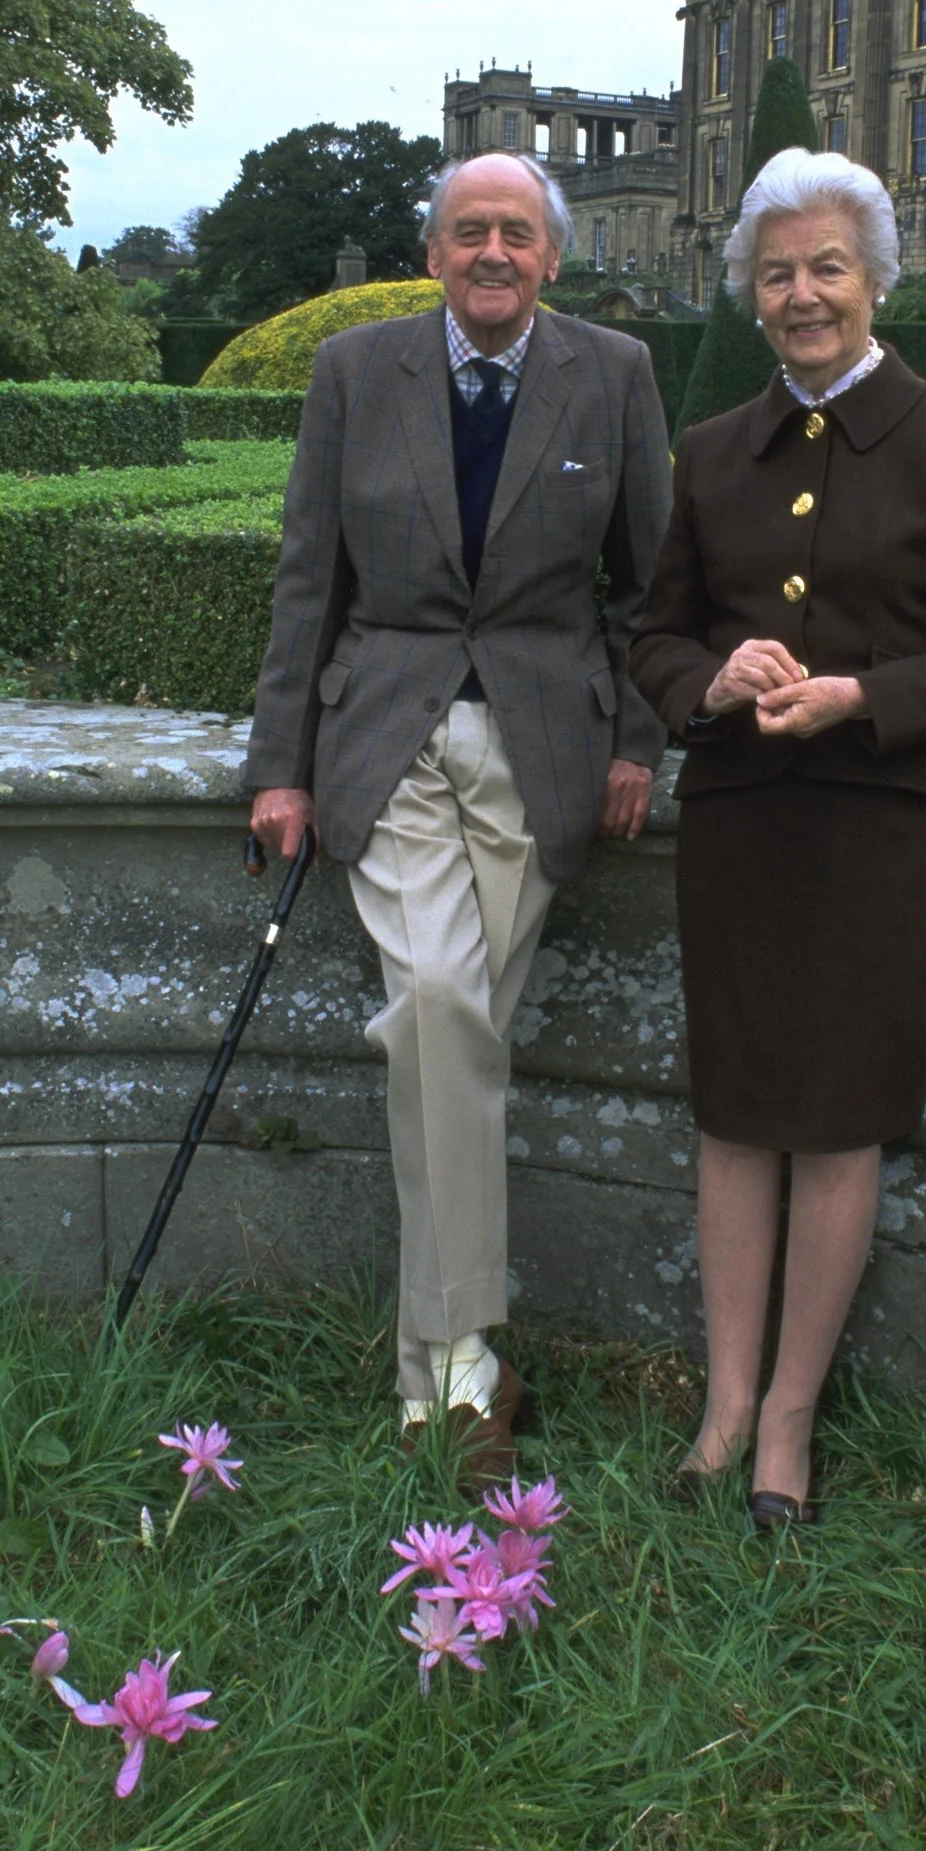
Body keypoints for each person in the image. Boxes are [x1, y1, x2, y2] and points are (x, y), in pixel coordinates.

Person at [628, 147, 926, 1529]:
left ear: (876, 278)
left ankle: (792, 1420)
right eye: (777, 273)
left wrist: (866, 695)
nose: (803, 296)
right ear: (747, 293)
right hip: (745, 822)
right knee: (737, 1117)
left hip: (888, 830)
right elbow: (655, 640)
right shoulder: (710, 453)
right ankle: (726, 1401)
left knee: (843, 1123)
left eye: (827, 269)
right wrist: (711, 682)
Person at [246, 151, 672, 1482]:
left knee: (460, 1043)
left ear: (553, 256)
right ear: (432, 251)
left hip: (546, 748)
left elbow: (652, 584)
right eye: (469, 230)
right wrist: (280, 766)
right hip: (391, 735)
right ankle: (457, 1368)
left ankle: (449, 1369)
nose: (493, 251)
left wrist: (643, 744)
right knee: (438, 1002)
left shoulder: (615, 372)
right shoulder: (356, 373)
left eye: (518, 233)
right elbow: (307, 575)